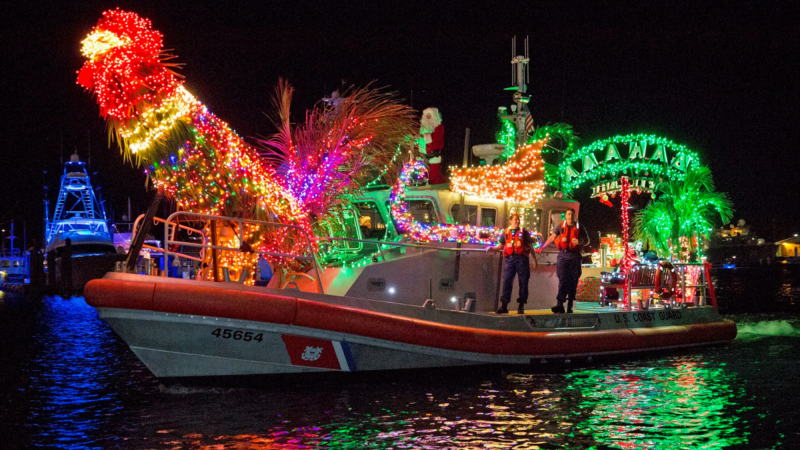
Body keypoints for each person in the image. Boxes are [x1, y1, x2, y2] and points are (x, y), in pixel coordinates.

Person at [537, 208, 590, 314]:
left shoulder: (580, 227)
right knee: (562, 278)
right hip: (563, 255)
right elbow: (552, 237)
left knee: (573, 280)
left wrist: (580, 241)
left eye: (572, 214)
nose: (570, 216)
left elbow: (587, 241)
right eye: (568, 214)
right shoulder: (560, 226)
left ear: (575, 216)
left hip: (575, 255)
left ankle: (570, 305)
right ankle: (560, 304)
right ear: (565, 216)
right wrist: (541, 248)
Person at [487, 213, 536, 314]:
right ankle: (504, 306)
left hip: (522, 259)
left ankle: (521, 305)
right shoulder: (506, 232)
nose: (517, 221)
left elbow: (530, 246)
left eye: (518, 219)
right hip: (510, 259)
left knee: (523, 282)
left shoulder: (524, 232)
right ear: (510, 221)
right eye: (515, 219)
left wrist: (534, 259)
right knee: (507, 281)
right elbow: (500, 246)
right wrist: (491, 248)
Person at [419, 107, 446, 184]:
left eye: (430, 116)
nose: (428, 118)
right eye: (426, 116)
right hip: (423, 155)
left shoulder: (439, 127)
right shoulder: (422, 129)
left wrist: (423, 136)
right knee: (421, 175)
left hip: (434, 154)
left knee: (433, 176)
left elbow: (436, 136)